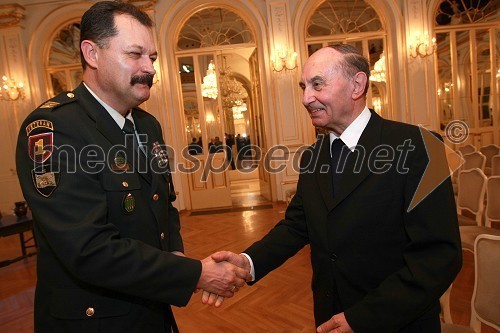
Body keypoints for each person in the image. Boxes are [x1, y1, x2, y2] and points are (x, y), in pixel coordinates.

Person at [16, 2, 250, 332]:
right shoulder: (54, 128)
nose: (150, 68)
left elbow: (162, 206)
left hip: (149, 308)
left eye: (152, 57)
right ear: (92, 54)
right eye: (135, 54)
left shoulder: (147, 125)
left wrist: (176, 257)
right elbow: (88, 250)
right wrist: (196, 274)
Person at [207, 45, 462, 332]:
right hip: (329, 318)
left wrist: (362, 318)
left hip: (395, 322)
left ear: (357, 85)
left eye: (317, 84)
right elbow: (297, 226)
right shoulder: (314, 156)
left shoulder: (421, 147)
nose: (306, 98)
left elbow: (439, 256)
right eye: (304, 87)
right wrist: (247, 262)